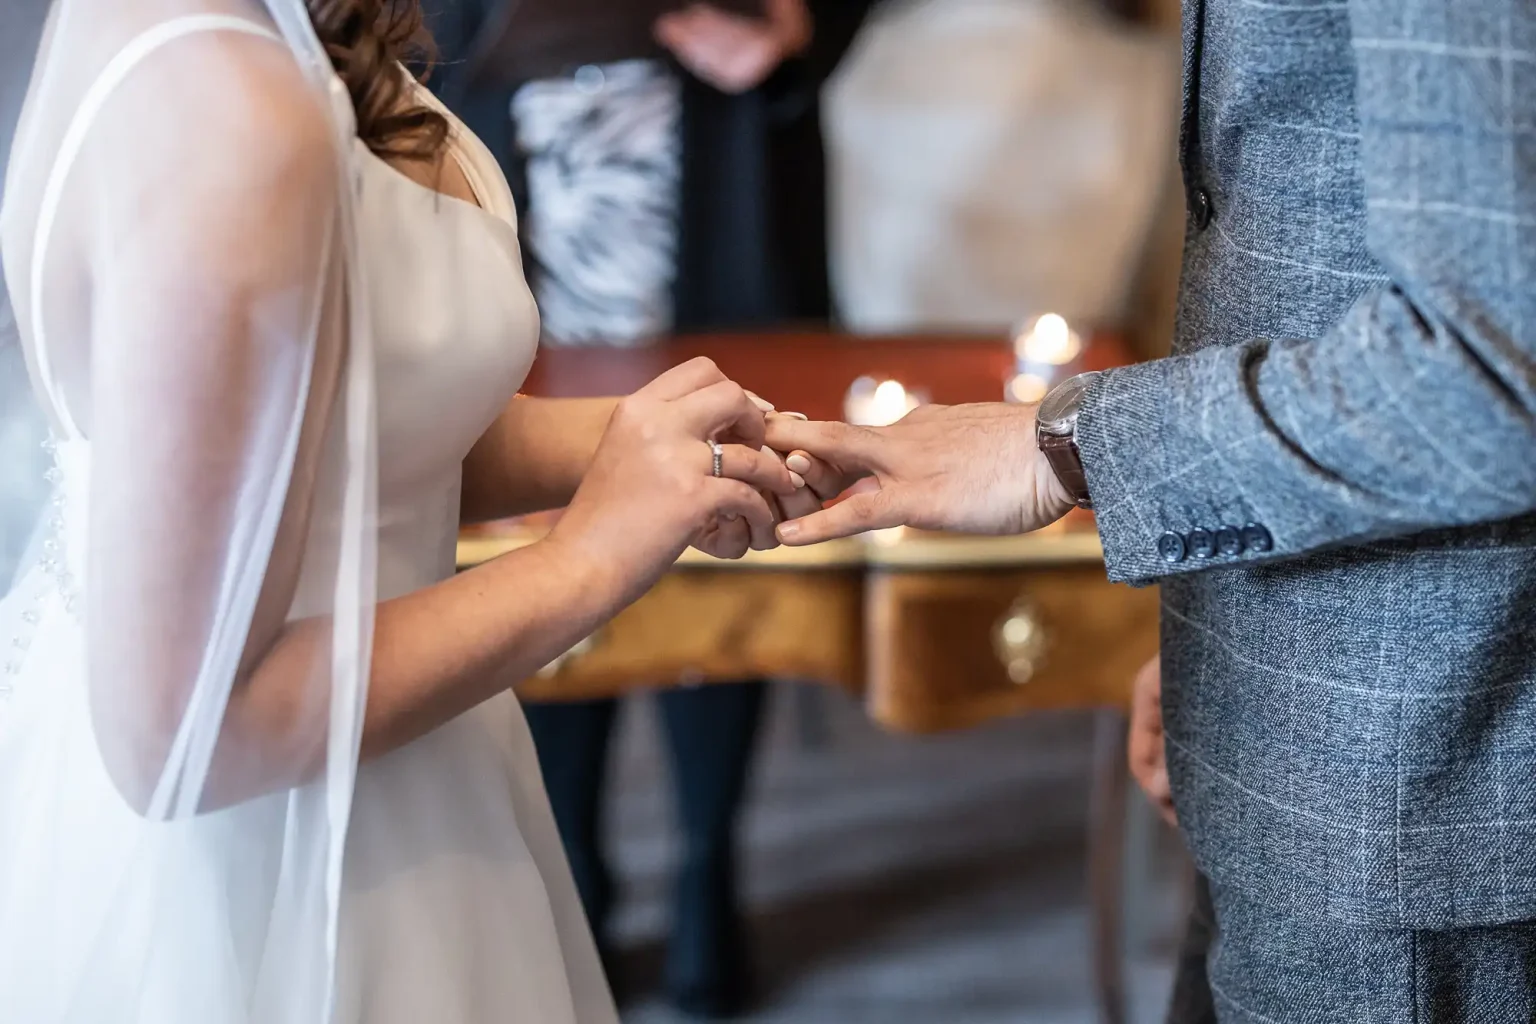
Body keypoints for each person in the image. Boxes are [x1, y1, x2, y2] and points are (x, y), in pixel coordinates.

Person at [0, 1, 827, 1021]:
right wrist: (591, 559)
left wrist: (661, 448)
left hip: (402, 758)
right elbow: (190, 736)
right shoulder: (229, 109)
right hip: (279, 862)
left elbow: (363, 446)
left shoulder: (273, 32)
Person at [764, 0, 1536, 1017]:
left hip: (1412, 776)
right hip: (1297, 691)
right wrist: (1212, 624)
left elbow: (1489, 369)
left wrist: (1068, 447)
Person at [426, 2, 866, 1014]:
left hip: (710, 145)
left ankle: (709, 864)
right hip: (504, 125)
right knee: (530, 510)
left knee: (726, 489)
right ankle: (575, 863)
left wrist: (800, 27)